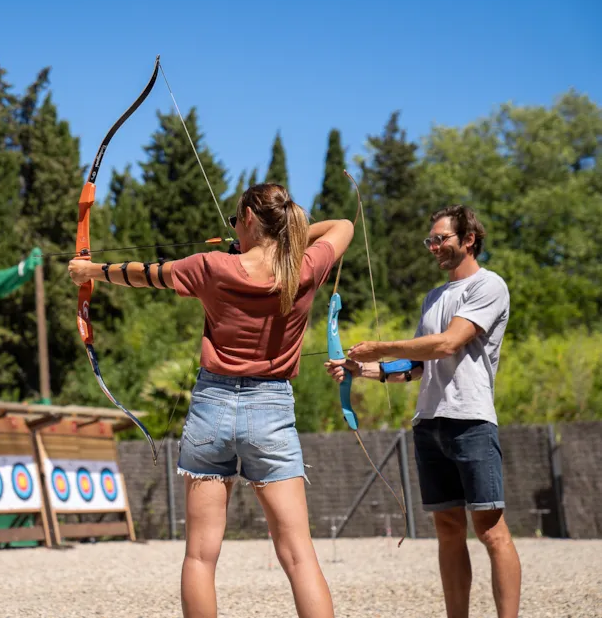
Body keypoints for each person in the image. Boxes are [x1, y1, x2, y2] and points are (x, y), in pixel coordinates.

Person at [69, 183, 354, 618]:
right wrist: (288, 242)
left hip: (211, 410)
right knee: (299, 556)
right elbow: (344, 225)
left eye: (236, 221)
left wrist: (90, 273)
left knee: (201, 556)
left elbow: (143, 273)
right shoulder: (307, 267)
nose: (233, 230)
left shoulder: (210, 266)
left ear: (252, 220)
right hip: (272, 412)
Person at [324, 205, 521, 618]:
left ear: (468, 240)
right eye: (430, 240)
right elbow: (415, 366)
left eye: (441, 239)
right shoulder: (434, 297)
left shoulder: (490, 286)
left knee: (491, 532)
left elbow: (449, 344)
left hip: (470, 421)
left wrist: (382, 346)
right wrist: (361, 370)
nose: (433, 247)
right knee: (449, 532)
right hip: (429, 426)